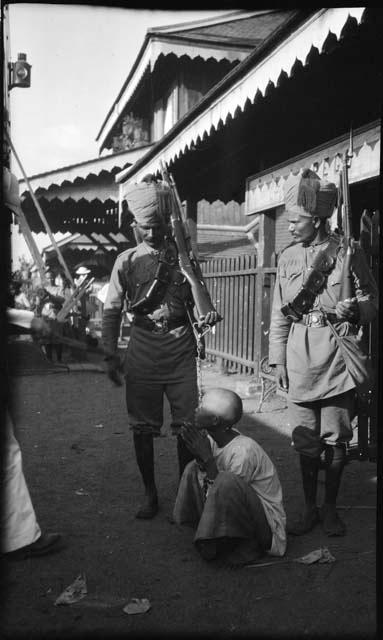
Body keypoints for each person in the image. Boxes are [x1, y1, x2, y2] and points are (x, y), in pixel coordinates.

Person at [268, 169, 378, 537]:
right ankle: (309, 508)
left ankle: (330, 509)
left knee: (336, 437)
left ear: (316, 220)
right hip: (300, 357)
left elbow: (373, 300)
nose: (291, 227)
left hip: (335, 356)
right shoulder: (287, 258)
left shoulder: (349, 251)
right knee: (305, 439)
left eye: (296, 221)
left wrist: (356, 310)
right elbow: (280, 314)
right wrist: (278, 359)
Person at [102, 177, 217, 519]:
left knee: (188, 426)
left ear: (168, 222)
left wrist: (194, 286)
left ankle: (186, 492)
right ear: (135, 225)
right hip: (143, 348)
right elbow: (110, 311)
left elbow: (203, 305)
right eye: (145, 228)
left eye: (158, 226)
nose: (152, 234)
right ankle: (150, 495)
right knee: (142, 427)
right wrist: (110, 352)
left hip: (181, 348)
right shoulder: (125, 261)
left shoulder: (183, 255)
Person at [173, 388, 286, 566]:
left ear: (215, 420)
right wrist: (199, 457)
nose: (196, 408)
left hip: (266, 528)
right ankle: (205, 531)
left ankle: (248, 546)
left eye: (202, 406)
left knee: (226, 480)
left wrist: (208, 460)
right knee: (192, 468)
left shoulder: (243, 452)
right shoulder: (211, 440)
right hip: (238, 512)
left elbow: (225, 492)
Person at [38, 270, 65, 362]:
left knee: (57, 339)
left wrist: (51, 297)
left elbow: (62, 300)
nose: (50, 279)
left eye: (52, 277)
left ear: (54, 278)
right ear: (46, 279)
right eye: (48, 277)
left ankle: (59, 360)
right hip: (45, 317)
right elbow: (39, 302)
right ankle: (49, 360)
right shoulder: (43, 289)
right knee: (47, 339)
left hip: (56, 317)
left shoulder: (59, 288)